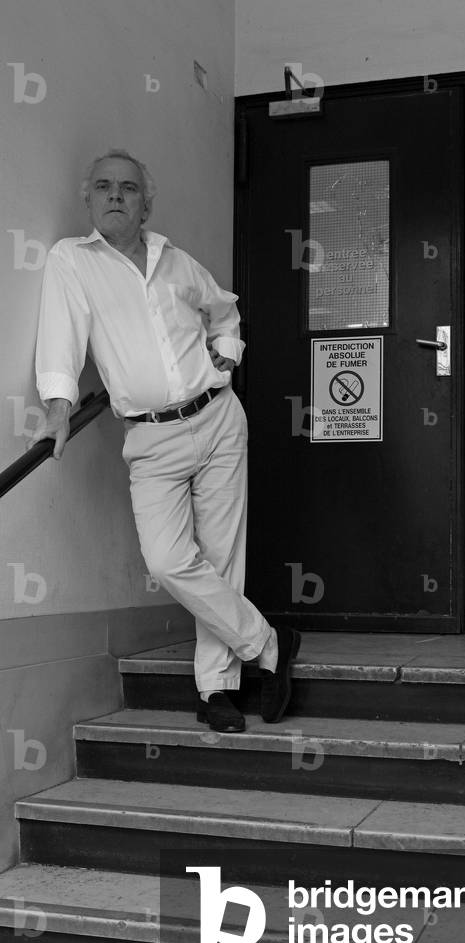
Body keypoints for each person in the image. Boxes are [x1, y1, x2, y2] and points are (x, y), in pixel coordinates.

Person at [31, 148, 300, 734]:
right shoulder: (73, 262)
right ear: (88, 198)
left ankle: (216, 690)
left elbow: (224, 313)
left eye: (128, 187)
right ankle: (269, 645)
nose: (116, 195)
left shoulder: (177, 262)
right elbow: (61, 335)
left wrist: (225, 357)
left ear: (146, 201)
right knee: (170, 559)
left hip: (219, 418)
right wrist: (57, 407)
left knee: (223, 556)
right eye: (103, 186)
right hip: (150, 438)